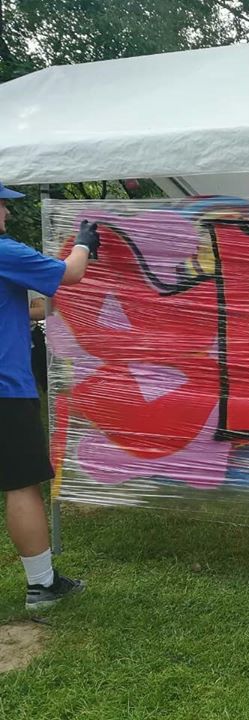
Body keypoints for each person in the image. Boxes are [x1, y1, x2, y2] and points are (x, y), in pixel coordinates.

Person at [0, 182, 100, 611]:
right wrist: (84, 243)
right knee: (21, 484)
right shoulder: (4, 250)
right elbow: (69, 273)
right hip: (6, 389)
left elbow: (20, 308)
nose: (5, 214)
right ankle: (42, 585)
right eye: (0, 205)